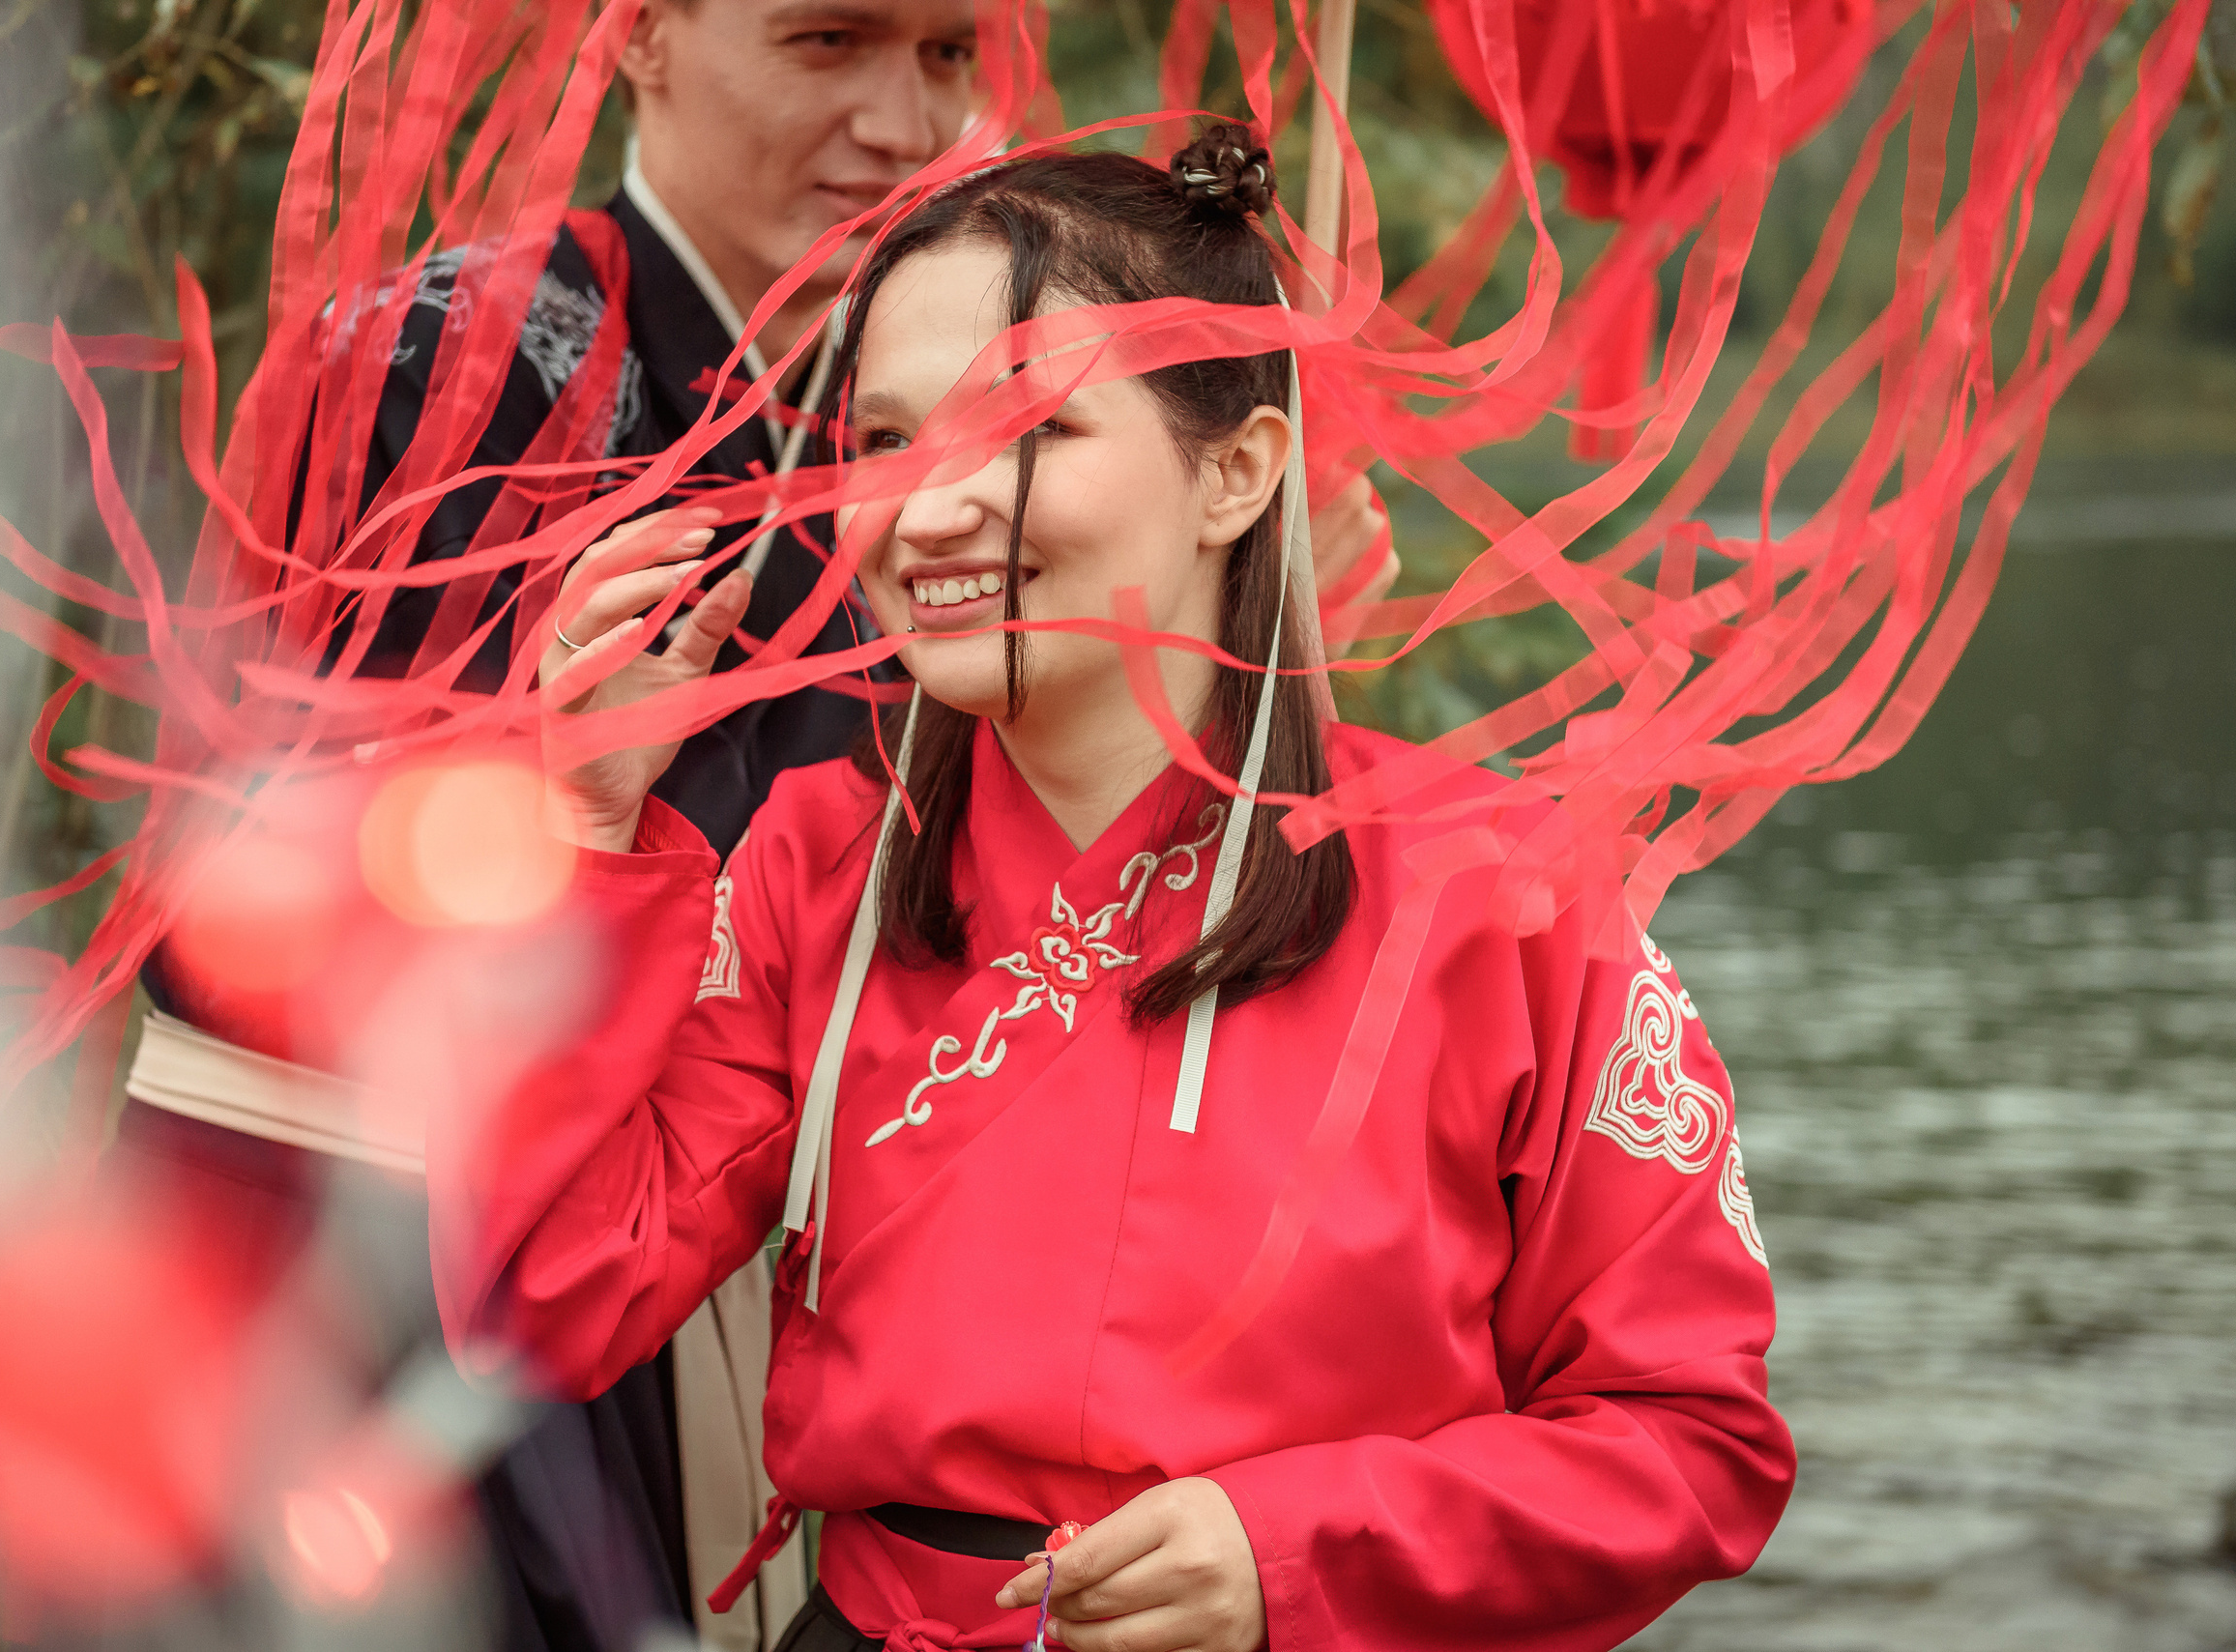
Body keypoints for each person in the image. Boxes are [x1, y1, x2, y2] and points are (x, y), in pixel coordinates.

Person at [111, 4, 1397, 1646]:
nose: (898, 120)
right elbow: (328, 868)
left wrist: (1203, 631)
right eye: (825, 42)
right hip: (367, 1209)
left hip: (650, 1181)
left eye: (945, 57)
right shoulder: (461, 356)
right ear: (636, 36)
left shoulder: (868, 391)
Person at [438, 130, 1791, 1652]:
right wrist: (581, 836)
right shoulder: (820, 863)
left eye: (1023, 429)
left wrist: (1291, 1550)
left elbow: (1692, 1441)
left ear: (1236, 470)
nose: (929, 508)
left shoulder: (1505, 888)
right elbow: (537, 1297)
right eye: (882, 441)